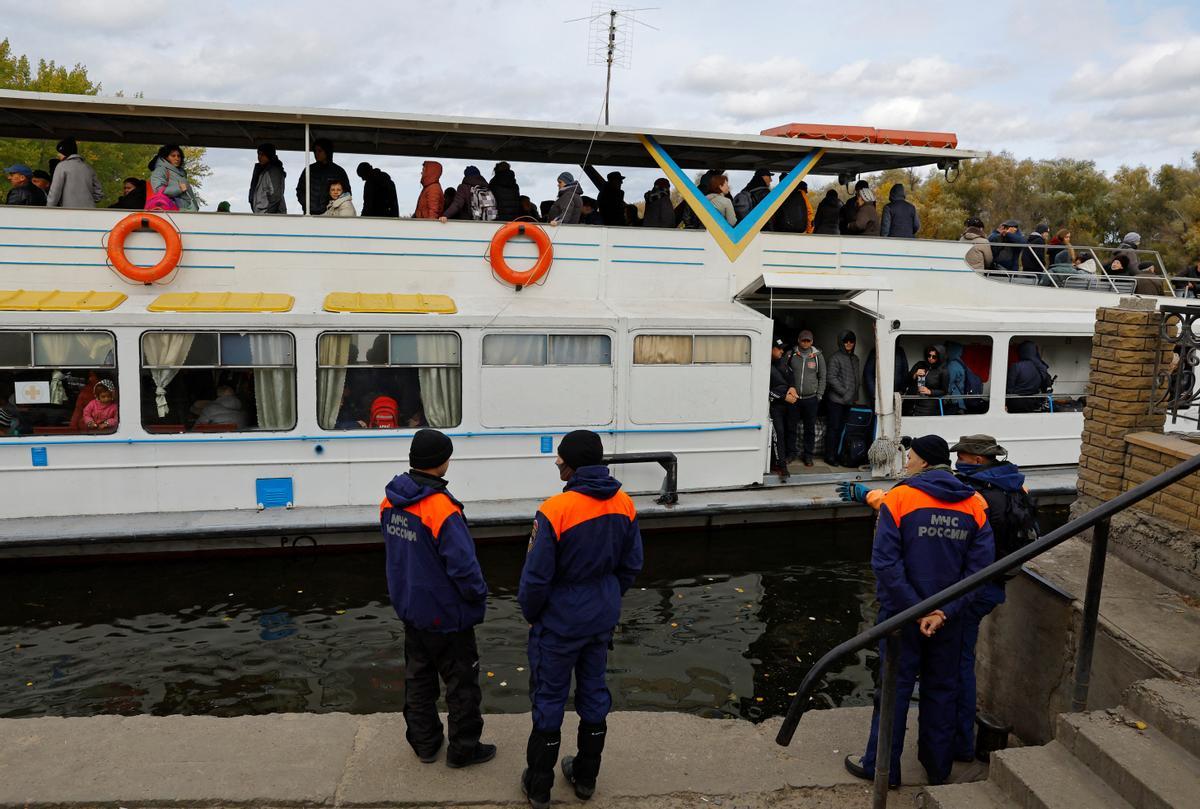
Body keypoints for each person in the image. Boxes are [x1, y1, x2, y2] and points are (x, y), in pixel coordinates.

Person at [837, 435, 994, 787]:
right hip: (949, 621)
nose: (906, 462)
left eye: (910, 456)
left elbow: (886, 563)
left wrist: (916, 610)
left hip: (900, 617)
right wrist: (942, 613)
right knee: (941, 690)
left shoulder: (901, 498)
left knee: (893, 689)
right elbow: (980, 570)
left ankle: (881, 769)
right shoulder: (974, 503)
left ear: (923, 462)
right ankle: (938, 769)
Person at [519, 430, 643, 809]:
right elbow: (632, 566)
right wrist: (604, 596)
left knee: (550, 697)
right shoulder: (624, 504)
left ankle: (539, 786)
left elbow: (536, 578)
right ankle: (586, 777)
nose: (557, 462)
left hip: (560, 623)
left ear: (573, 464)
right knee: (593, 693)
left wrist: (532, 614)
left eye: (561, 457)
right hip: (599, 618)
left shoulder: (555, 510)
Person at [380, 428, 495, 768]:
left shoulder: (390, 501)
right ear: (442, 463)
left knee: (418, 679)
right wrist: (478, 597)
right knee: (461, 685)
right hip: (447, 615)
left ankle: (425, 744)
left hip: (411, 610)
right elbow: (464, 568)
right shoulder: (442, 510)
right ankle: (463, 749)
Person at [950, 434, 1038, 762]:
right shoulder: (1012, 483)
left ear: (976, 459)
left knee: (958, 663)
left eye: (961, 455)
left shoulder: (980, 494)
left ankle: (960, 742)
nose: (957, 459)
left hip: (975, 586)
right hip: (996, 583)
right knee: (961, 658)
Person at [788, 330, 825, 467]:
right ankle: (791, 454)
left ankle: (808, 456)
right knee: (791, 427)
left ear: (812, 342)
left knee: (810, 429)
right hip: (794, 398)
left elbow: (823, 376)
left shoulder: (817, 356)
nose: (805, 343)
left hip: (811, 399)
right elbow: (784, 373)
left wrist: (819, 395)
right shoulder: (791, 354)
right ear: (798, 340)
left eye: (808, 340)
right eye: (803, 340)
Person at [825, 331, 861, 464]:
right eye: (846, 341)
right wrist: (845, 393)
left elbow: (856, 380)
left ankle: (838, 454)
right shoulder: (835, 358)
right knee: (833, 429)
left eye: (851, 341)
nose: (849, 344)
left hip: (849, 401)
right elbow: (831, 378)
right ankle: (829, 456)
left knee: (842, 429)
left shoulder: (855, 358)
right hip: (836, 401)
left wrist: (855, 396)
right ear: (841, 342)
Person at [295, 138, 351, 215]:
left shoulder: (338, 171)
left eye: (320, 151)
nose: (316, 153)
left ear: (327, 151)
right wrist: (307, 205)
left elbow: (346, 194)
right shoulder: (309, 170)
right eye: (315, 151)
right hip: (310, 215)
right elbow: (300, 190)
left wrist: (334, 207)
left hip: (331, 215)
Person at [769, 338, 798, 481]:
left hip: (788, 405)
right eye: (779, 349)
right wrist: (783, 397)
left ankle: (782, 460)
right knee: (778, 434)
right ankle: (781, 466)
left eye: (783, 349)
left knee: (788, 432)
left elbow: (791, 376)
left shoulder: (782, 363)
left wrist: (792, 387)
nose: (782, 351)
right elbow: (765, 390)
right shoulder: (764, 365)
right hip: (774, 406)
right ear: (771, 349)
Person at [46, 138, 102, 208]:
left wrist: (49, 208)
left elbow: (55, 191)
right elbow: (99, 192)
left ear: (65, 152)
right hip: (89, 211)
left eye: (60, 153)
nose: (58, 155)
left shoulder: (61, 166)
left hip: (69, 211)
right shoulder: (88, 168)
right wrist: (87, 201)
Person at [148, 144, 200, 212]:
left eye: (179, 156)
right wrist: (179, 189)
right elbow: (158, 189)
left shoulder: (180, 172)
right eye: (173, 156)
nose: (177, 158)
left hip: (185, 210)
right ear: (166, 157)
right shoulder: (160, 170)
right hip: (174, 211)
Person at [1006, 340, 1052, 413]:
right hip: (1033, 403)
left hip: (1016, 403)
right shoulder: (1042, 367)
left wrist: (1005, 402)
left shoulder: (1016, 366)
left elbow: (1009, 389)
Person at [249, 144, 287, 214]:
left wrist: (268, 214)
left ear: (269, 155)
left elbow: (276, 197)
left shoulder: (274, 171)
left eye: (262, 154)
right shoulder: (261, 171)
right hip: (262, 215)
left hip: (271, 217)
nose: (259, 157)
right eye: (258, 154)